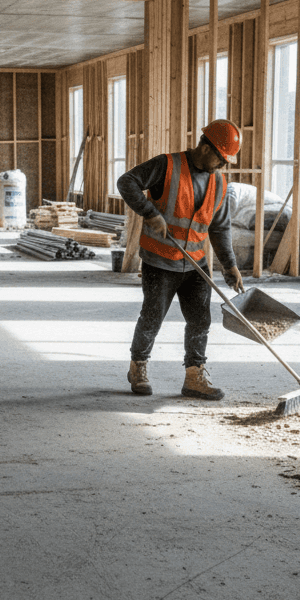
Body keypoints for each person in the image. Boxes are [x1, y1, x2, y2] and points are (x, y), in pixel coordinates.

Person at [116, 119, 245, 401]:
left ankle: (194, 376)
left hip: (196, 263)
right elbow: (126, 182)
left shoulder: (219, 183)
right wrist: (149, 211)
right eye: (222, 159)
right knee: (152, 317)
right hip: (160, 260)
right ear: (207, 147)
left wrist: (229, 265)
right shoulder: (167, 165)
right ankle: (138, 367)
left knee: (200, 320)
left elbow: (219, 227)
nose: (223, 166)